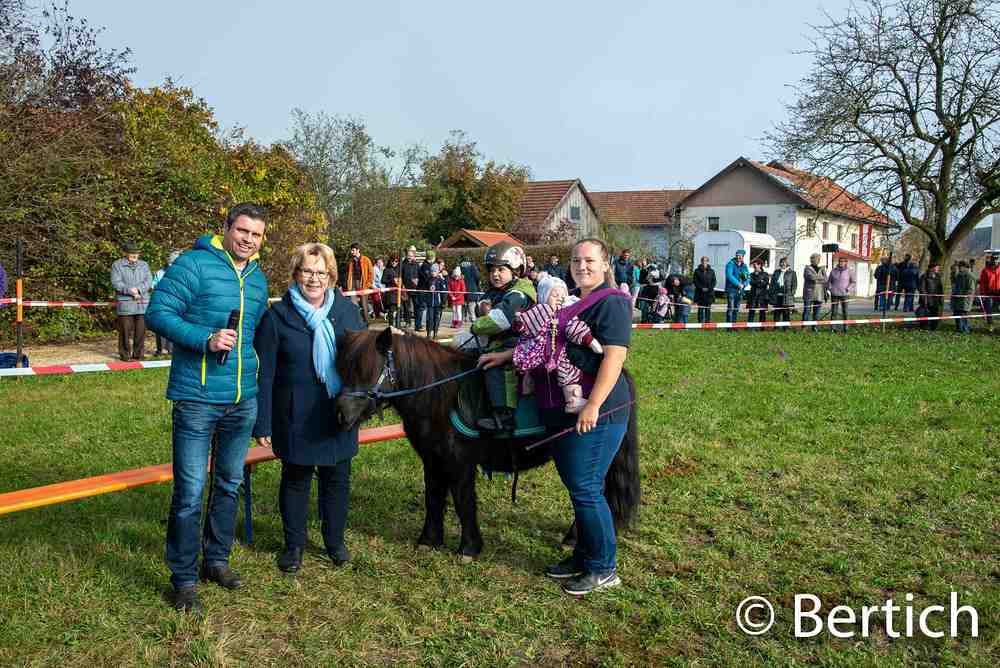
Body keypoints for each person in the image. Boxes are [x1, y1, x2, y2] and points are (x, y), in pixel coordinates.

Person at [480, 238, 631, 596]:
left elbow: (614, 356)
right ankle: (583, 557)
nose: (582, 266)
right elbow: (544, 339)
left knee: (586, 487)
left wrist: (593, 404)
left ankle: (604, 568)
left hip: (595, 411)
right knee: (578, 486)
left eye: (589, 260)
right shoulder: (568, 301)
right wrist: (505, 357)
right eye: (576, 260)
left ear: (605, 264)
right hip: (558, 410)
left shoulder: (612, 302)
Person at [145, 202, 269, 612]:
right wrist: (205, 338)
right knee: (190, 492)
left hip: (242, 401)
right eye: (242, 231)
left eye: (256, 234)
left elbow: (256, 335)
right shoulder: (194, 264)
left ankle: (216, 560)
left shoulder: (257, 278)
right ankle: (182, 579)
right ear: (226, 228)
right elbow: (157, 313)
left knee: (229, 484)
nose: (248, 240)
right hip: (197, 400)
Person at [253, 243, 365, 574]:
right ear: (296, 274)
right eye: (307, 271)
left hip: (338, 413)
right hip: (294, 416)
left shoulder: (348, 312)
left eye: (321, 272)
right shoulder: (277, 317)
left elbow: (362, 366)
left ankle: (335, 543)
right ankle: (294, 546)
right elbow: (266, 373)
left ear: (331, 276)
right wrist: (263, 422)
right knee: (296, 480)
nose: (314, 279)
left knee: (337, 480)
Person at [470, 241, 536, 432]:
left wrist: (476, 325)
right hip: (498, 340)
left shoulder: (520, 293)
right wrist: (483, 312)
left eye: (501, 269)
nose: (495, 274)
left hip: (517, 343)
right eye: (492, 270)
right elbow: (482, 307)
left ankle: (504, 416)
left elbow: (499, 320)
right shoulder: (498, 291)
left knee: (496, 367)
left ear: (516, 270)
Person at [513, 276, 603, 412]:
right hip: (538, 352)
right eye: (554, 295)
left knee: (566, 373)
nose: (560, 298)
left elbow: (574, 328)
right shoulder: (540, 310)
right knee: (530, 372)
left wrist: (589, 340)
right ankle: (527, 390)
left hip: (560, 353)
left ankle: (572, 401)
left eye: (563, 296)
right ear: (544, 297)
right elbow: (526, 322)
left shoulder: (567, 312)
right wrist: (519, 323)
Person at [111, 241, 153, 361]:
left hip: (142, 303)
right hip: (126, 303)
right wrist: (130, 291)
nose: (135, 255)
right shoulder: (117, 265)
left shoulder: (144, 265)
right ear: (125, 253)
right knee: (124, 331)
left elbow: (148, 281)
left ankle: (138, 354)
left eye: (137, 253)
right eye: (132, 253)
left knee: (140, 331)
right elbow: (116, 283)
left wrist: (138, 290)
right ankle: (125, 355)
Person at [152, 250, 182, 356]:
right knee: (161, 325)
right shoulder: (160, 273)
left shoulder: (182, 273)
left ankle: (172, 348)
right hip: (162, 302)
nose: (171, 265)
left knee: (174, 325)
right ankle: (161, 349)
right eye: (170, 262)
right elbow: (153, 285)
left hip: (177, 303)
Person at [344, 242, 373, 324]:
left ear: (358, 250)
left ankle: (367, 322)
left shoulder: (366, 260)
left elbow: (371, 273)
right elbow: (349, 274)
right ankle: (358, 323)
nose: (351, 252)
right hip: (353, 285)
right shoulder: (351, 261)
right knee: (354, 305)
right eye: (351, 250)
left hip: (363, 285)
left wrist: (368, 285)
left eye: (353, 250)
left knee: (364, 305)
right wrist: (349, 286)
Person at [827, 256, 856, 333]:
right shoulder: (834, 270)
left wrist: (848, 289)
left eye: (843, 261)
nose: (841, 263)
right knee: (834, 312)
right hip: (835, 294)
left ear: (846, 262)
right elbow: (829, 281)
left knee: (845, 311)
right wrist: (830, 288)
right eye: (840, 261)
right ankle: (833, 328)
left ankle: (845, 327)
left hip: (845, 294)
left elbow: (853, 282)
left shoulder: (849, 271)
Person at [802, 253, 828, 330]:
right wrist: (820, 279)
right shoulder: (807, 268)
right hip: (809, 293)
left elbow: (826, 280)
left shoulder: (822, 269)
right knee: (807, 311)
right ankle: (804, 327)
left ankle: (814, 327)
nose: (816, 260)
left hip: (819, 294)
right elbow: (811, 278)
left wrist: (818, 279)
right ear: (811, 260)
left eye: (818, 259)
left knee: (817, 312)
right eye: (815, 259)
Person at [769, 257, 797, 323]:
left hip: (786, 295)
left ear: (787, 263)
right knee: (777, 312)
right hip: (777, 295)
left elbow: (794, 284)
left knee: (786, 312)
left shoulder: (792, 273)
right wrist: (771, 291)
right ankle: (776, 326)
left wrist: (791, 293)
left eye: (784, 262)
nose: (782, 264)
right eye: (781, 262)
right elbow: (772, 283)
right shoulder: (776, 272)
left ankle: (785, 327)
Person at [724, 249, 749, 323]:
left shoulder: (744, 266)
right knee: (731, 308)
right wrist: (738, 284)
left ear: (743, 257)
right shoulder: (730, 264)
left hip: (740, 290)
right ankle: (729, 325)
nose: (739, 257)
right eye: (737, 255)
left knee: (736, 309)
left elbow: (747, 277)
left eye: (740, 256)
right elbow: (729, 275)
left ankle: (734, 325)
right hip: (731, 290)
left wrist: (744, 284)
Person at [414, 249, 436, 332]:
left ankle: (425, 325)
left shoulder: (428, 265)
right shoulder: (425, 266)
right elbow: (427, 278)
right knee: (421, 308)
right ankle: (418, 325)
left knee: (424, 308)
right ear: (432, 258)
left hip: (425, 290)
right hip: (423, 290)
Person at [951, 260, 975, 334]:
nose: (959, 268)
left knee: (963, 315)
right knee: (956, 314)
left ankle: (965, 330)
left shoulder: (970, 276)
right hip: (957, 299)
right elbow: (953, 281)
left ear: (965, 267)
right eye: (958, 267)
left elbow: (971, 289)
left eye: (960, 267)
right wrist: (953, 271)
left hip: (965, 300)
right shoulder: (959, 275)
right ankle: (959, 329)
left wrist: (961, 294)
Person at [920, 262, 944, 330]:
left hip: (936, 299)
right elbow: (922, 289)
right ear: (932, 268)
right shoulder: (924, 276)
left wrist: (941, 298)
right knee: (926, 314)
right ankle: (925, 327)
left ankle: (934, 327)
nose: (938, 269)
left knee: (935, 314)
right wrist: (924, 299)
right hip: (927, 299)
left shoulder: (938, 276)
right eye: (937, 267)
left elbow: (940, 288)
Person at [426, 263, 448, 339]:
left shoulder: (440, 280)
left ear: (438, 271)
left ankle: (435, 333)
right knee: (430, 318)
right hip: (430, 303)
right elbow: (425, 290)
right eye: (432, 271)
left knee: (436, 318)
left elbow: (444, 292)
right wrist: (425, 300)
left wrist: (443, 302)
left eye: (435, 271)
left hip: (437, 303)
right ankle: (429, 333)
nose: (433, 273)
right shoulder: (428, 280)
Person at [979, 253, 1000, 331]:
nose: (995, 261)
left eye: (996, 259)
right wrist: (983, 294)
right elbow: (982, 284)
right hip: (989, 292)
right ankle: (990, 324)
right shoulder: (985, 270)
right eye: (993, 259)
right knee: (988, 308)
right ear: (991, 260)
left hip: (999, 291)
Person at [693, 256, 716, 324]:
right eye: (703, 261)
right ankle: (700, 323)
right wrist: (701, 288)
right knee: (700, 309)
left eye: (706, 261)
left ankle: (707, 323)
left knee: (708, 309)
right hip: (700, 293)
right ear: (701, 261)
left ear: (707, 262)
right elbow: (695, 281)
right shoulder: (697, 271)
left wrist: (709, 288)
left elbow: (714, 281)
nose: (704, 262)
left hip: (709, 293)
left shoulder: (712, 271)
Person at [401, 246, 420, 327]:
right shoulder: (402, 264)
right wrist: (402, 286)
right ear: (406, 255)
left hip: (415, 289)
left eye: (411, 256)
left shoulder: (416, 264)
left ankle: (417, 323)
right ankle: (408, 322)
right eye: (408, 255)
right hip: (406, 288)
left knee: (417, 306)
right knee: (406, 307)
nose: (409, 257)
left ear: (413, 256)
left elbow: (420, 275)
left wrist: (418, 281)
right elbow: (400, 276)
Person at [746, 259, 770, 323]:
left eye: (755, 265)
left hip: (762, 296)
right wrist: (760, 281)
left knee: (762, 312)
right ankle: (749, 326)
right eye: (753, 265)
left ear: (760, 265)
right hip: (753, 295)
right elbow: (751, 282)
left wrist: (757, 282)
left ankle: (762, 327)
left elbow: (765, 283)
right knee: (751, 312)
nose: (754, 266)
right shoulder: (751, 274)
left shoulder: (765, 274)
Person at [382, 255, 400, 326]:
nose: (394, 262)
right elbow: (383, 280)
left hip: (398, 293)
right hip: (391, 293)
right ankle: (391, 326)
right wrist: (392, 280)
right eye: (393, 261)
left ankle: (398, 326)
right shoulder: (387, 270)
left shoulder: (399, 269)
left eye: (396, 261)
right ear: (390, 261)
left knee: (399, 310)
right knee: (391, 311)